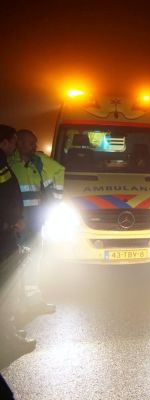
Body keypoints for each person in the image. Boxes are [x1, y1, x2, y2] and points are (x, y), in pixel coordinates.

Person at [9, 129, 64, 317]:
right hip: (15, 222)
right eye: (31, 143)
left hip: (35, 221)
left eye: (36, 143)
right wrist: (13, 219)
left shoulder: (38, 163)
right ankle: (15, 307)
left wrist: (54, 203)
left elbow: (59, 169)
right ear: (19, 144)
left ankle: (33, 302)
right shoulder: (9, 163)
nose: (35, 147)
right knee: (15, 264)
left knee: (35, 261)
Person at [0, 124, 36, 357]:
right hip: (3, 236)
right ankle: (7, 339)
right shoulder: (2, 163)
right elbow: (4, 197)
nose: (13, 146)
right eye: (13, 141)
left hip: (6, 231)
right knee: (6, 288)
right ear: (5, 141)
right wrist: (14, 220)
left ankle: (9, 332)